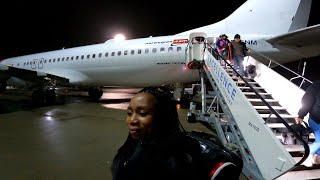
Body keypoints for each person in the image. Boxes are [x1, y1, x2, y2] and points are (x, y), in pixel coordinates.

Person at [111, 86, 243, 180]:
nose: (132, 120)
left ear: (161, 117)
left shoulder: (174, 162)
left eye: (143, 113)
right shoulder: (136, 143)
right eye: (129, 113)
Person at [296, 81, 320, 167]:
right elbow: (307, 101)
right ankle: (307, 156)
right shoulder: (316, 86)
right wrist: (301, 115)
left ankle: (316, 156)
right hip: (316, 119)